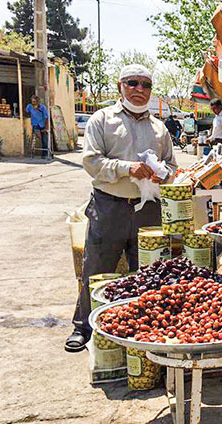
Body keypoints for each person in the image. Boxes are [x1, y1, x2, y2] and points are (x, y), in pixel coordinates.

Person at [65, 64, 176, 352]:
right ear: (120, 86)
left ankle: (144, 327)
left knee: (148, 270)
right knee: (98, 266)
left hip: (148, 208)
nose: (139, 90)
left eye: (145, 85)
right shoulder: (102, 120)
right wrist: (128, 169)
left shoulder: (159, 128)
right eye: (133, 83)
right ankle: (84, 327)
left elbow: (172, 165)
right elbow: (91, 162)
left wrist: (164, 173)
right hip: (110, 206)